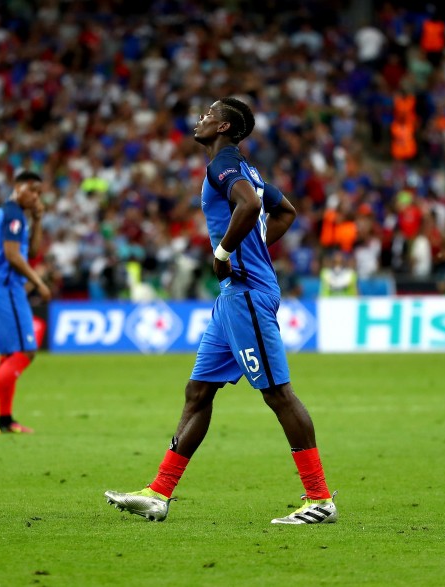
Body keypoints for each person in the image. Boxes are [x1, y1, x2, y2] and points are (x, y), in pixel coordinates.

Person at [105, 98, 337, 524]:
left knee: (277, 393)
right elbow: (284, 211)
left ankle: (319, 498)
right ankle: (159, 493)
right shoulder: (246, 168)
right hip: (233, 295)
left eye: (210, 114)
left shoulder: (224, 165)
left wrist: (228, 250)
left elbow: (250, 206)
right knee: (199, 392)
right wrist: (255, 250)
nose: (201, 118)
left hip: (245, 292)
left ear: (226, 126)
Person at [0, 171, 51, 434]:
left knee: (8, 355)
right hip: (7, 287)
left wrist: (38, 220)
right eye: (32, 190)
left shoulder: (9, 213)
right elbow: (14, 256)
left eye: (39, 192)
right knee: (26, 352)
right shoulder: (13, 214)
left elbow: (34, 252)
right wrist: (38, 282)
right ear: (17, 187)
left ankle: (5, 419)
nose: (36, 196)